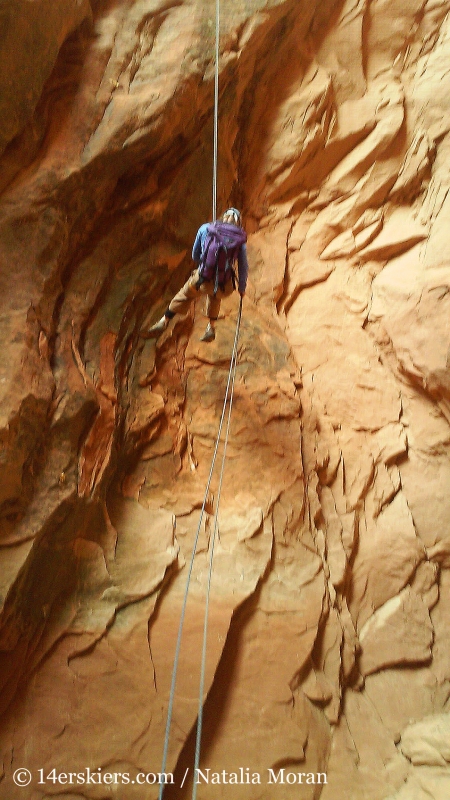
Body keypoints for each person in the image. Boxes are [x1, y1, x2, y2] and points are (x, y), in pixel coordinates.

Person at [143, 208, 248, 342]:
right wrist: (242, 289)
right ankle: (211, 326)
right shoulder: (240, 240)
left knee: (185, 294)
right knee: (215, 295)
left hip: (202, 281)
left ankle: (165, 319)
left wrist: (205, 263)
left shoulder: (206, 229)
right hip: (223, 287)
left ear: (223, 217)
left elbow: (195, 255)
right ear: (239, 222)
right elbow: (243, 266)